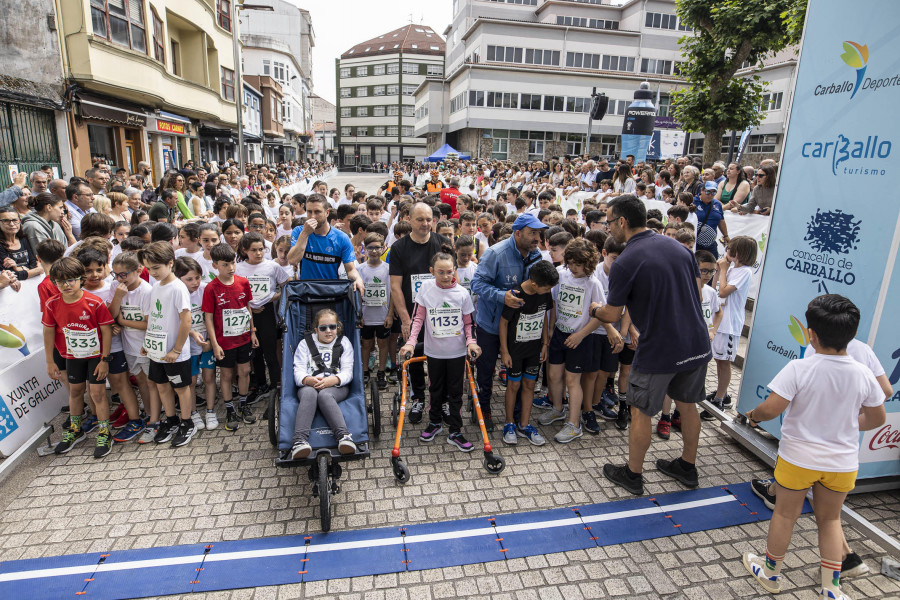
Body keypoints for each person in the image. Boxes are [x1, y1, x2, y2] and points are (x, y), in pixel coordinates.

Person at [741, 295, 885, 600]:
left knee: (784, 515)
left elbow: (771, 408)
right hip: (842, 463)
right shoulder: (862, 373)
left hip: (798, 459)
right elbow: (876, 417)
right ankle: (831, 588)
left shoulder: (799, 368)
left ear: (811, 334)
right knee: (831, 520)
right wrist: (845, 425)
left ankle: (770, 573)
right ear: (852, 334)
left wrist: (753, 416)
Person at [591, 195, 711, 496]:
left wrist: (593, 309)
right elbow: (695, 289)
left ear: (622, 222)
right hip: (695, 340)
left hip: (659, 347)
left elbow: (612, 314)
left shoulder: (626, 261)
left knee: (640, 411)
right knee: (688, 405)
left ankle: (633, 474)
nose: (608, 228)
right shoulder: (678, 247)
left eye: (609, 222)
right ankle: (687, 466)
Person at [470, 213, 546, 429]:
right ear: (518, 233)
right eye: (532, 233)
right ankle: (483, 408)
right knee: (485, 373)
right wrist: (502, 296)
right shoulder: (496, 253)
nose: (537, 238)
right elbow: (476, 285)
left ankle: (517, 415)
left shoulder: (535, 254)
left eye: (539, 233)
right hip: (491, 325)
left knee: (519, 373)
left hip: (519, 329)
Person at [400, 253, 481, 452]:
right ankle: (435, 422)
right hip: (434, 351)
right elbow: (418, 319)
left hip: (456, 352)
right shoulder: (426, 289)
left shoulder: (462, 293)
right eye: (440, 272)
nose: (446, 276)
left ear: (454, 270)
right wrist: (411, 342)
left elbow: (469, 323)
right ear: (432, 272)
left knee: (455, 392)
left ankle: (455, 430)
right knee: (435, 389)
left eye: (449, 271)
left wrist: (471, 342)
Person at [43, 257, 114, 457]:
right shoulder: (52, 304)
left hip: (95, 356)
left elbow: (106, 331)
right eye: (60, 281)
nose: (66, 285)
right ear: (54, 282)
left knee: (98, 394)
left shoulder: (94, 302)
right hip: (72, 356)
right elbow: (48, 331)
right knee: (75, 391)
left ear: (80, 279)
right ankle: (76, 429)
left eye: (70, 280)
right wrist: (49, 360)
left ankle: (104, 432)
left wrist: (104, 359)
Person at [389, 202, 453, 424]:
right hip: (412, 316)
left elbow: (453, 280)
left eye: (429, 219)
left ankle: (441, 400)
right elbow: (395, 286)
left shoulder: (443, 244)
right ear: (409, 220)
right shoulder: (398, 249)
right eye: (420, 219)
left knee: (441, 360)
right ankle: (417, 398)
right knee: (414, 357)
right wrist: (405, 319)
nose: (425, 224)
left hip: (440, 316)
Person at [539, 239, 608, 443]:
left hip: (580, 338)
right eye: (571, 263)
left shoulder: (593, 283)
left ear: (589, 263)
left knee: (572, 380)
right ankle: (558, 409)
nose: (575, 268)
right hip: (559, 333)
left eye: (579, 264)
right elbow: (553, 301)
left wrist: (581, 335)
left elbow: (601, 315)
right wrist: (551, 328)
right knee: (553, 374)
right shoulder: (561, 274)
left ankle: (574, 424)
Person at [137, 242, 196, 447]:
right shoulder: (155, 287)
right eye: (149, 268)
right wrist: (148, 343)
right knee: (162, 386)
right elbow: (154, 318)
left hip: (175, 353)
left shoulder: (178, 288)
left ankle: (187, 423)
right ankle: (171, 420)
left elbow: (186, 320)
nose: (152, 273)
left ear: (170, 263)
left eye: (156, 268)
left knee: (181, 387)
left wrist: (177, 349)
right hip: (157, 351)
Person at [499, 260, 557, 446]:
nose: (548, 292)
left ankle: (524, 424)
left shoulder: (544, 293)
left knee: (530, 386)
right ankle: (509, 423)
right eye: (546, 288)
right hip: (515, 351)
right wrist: (505, 352)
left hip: (534, 350)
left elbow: (543, 314)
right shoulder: (516, 295)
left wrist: (545, 343)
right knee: (513, 386)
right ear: (534, 284)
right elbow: (503, 323)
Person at [202, 243, 259, 431]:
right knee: (226, 375)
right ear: (215, 266)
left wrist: (252, 331)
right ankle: (229, 408)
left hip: (243, 339)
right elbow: (208, 318)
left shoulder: (243, 282)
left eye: (232, 263)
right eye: (225, 265)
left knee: (244, 372)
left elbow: (247, 307)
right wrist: (215, 344)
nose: (231, 268)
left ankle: (243, 404)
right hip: (224, 342)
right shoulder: (211, 288)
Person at [702, 237, 757, 420]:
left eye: (731, 249)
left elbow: (725, 291)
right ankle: (721, 393)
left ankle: (720, 399)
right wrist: (719, 271)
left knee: (724, 361)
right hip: (719, 322)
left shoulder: (745, 272)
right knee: (717, 359)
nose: (728, 251)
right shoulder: (731, 269)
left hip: (730, 324)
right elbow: (716, 288)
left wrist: (724, 269)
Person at [290, 309, 357, 459]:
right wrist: (308, 380)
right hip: (309, 384)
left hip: (336, 386)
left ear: (337, 327)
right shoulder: (305, 343)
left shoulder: (343, 342)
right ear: (316, 330)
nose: (328, 331)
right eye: (323, 328)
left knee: (325, 395)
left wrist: (334, 380)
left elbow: (348, 372)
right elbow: (298, 370)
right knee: (309, 393)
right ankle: (299, 441)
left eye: (332, 327)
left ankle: (344, 436)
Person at [235, 232, 289, 401]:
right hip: (247, 314)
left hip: (267, 313)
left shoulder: (272, 267)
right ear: (245, 251)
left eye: (261, 249)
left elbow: (286, 287)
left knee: (270, 352)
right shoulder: (239, 268)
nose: (258, 253)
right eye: (254, 250)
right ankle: (261, 385)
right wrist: (249, 305)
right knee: (254, 353)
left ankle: (276, 387)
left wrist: (271, 297)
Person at [286, 194, 364, 294]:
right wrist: (305, 234)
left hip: (331, 293)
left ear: (327, 213)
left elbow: (350, 269)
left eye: (317, 212)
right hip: (306, 294)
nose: (312, 216)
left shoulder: (341, 238)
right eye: (309, 212)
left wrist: (357, 278)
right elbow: (292, 260)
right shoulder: (299, 231)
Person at [357, 232, 392, 389]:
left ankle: (381, 371)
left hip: (382, 315)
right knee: (366, 344)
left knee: (383, 343)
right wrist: (359, 314)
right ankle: (365, 371)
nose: (374, 251)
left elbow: (393, 294)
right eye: (370, 248)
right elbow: (356, 294)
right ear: (365, 249)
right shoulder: (360, 269)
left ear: (383, 248)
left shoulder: (388, 269)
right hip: (366, 315)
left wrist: (390, 314)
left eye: (377, 247)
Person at [0, 206, 41, 280]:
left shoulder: (24, 239)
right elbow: (9, 276)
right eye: (6, 221)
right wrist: (36, 271)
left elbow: (34, 264)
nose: (12, 224)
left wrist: (18, 268)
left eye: (15, 220)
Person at [694, 181, 729, 257]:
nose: (710, 195)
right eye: (708, 192)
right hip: (695, 242)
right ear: (702, 191)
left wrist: (726, 235)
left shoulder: (717, 204)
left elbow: (721, 220)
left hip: (710, 245)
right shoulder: (693, 202)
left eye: (713, 193)